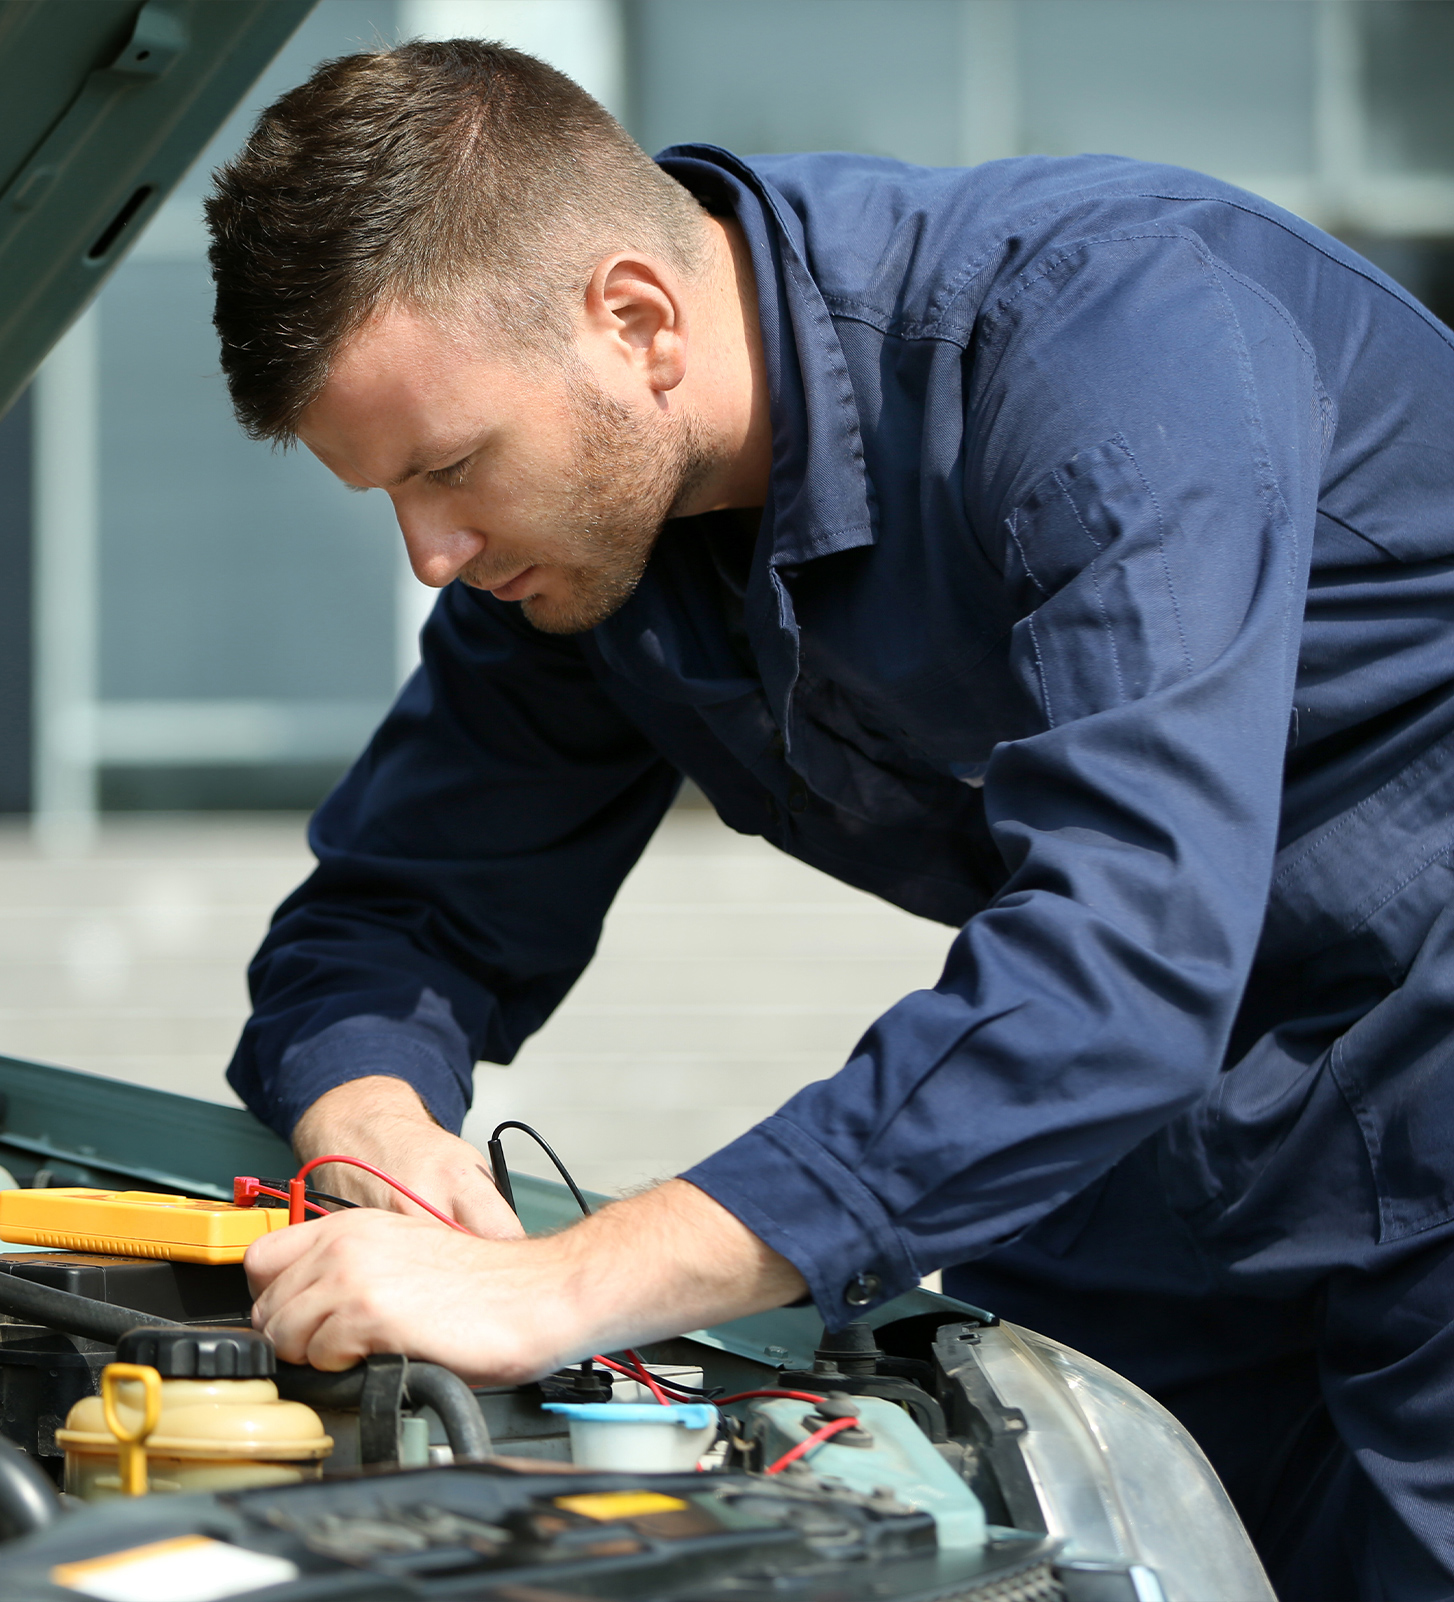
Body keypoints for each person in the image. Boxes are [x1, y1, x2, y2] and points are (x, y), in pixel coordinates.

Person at [202, 37, 1454, 1601]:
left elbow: (1119, 962)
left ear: (634, 321)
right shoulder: (597, 539)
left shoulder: (1102, 341)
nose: (431, 554)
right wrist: (372, 1119)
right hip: (1160, 1142)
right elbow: (393, 915)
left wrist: (551, 1287)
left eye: (451, 466)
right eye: (385, 492)